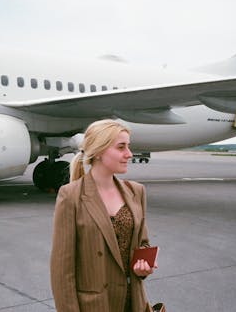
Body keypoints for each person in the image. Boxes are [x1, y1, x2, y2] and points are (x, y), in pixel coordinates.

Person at [50, 119, 157, 312]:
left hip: (133, 303)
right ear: (99, 151)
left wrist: (144, 267)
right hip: (96, 306)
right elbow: (62, 271)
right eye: (121, 147)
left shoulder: (137, 191)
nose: (129, 154)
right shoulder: (71, 195)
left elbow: (143, 243)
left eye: (129, 146)